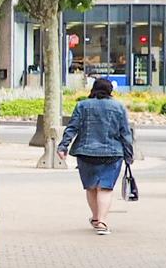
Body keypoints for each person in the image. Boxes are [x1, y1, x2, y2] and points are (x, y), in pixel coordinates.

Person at [57, 77, 135, 236]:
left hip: (86, 153)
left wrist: (63, 146)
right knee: (105, 188)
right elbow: (125, 133)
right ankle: (102, 221)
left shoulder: (82, 106)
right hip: (112, 153)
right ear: (110, 91)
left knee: (91, 187)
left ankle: (95, 217)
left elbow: (72, 128)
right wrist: (129, 154)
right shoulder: (118, 107)